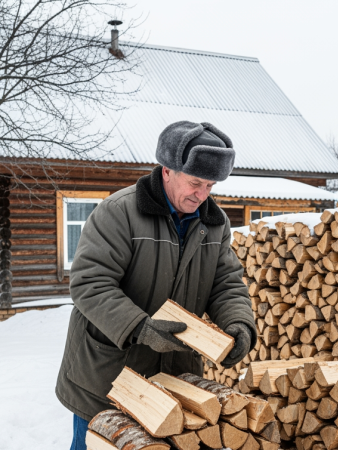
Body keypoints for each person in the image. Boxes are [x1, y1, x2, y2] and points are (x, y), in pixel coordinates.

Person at [55, 121, 257, 450]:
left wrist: (238, 324)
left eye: (210, 185)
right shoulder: (119, 212)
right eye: (195, 183)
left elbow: (226, 284)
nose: (202, 194)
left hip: (172, 381)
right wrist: (140, 327)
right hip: (107, 377)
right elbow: (90, 283)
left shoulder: (214, 223)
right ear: (167, 170)